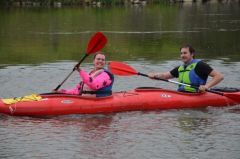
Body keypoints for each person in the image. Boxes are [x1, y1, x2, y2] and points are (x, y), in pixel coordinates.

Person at [148, 44, 223, 92]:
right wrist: (154, 75)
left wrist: (206, 86)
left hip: (197, 95)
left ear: (192, 54)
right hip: (182, 94)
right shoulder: (180, 68)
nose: (182, 55)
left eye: (185, 53)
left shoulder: (200, 65)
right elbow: (165, 76)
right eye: (181, 53)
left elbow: (219, 76)